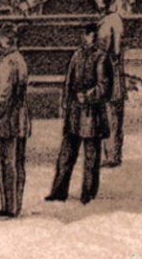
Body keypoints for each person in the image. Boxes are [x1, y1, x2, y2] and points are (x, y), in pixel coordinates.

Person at [46, 21, 112, 205]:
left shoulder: (101, 58)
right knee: (66, 154)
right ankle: (59, 191)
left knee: (91, 155)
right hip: (75, 112)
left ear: (94, 36)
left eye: (89, 35)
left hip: (92, 112)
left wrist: (88, 96)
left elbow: (104, 87)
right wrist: (65, 101)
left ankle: (88, 193)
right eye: (84, 35)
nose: (86, 38)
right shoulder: (77, 55)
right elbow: (68, 81)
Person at [0, 24, 31, 219]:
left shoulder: (7, 62)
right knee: (18, 163)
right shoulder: (19, 59)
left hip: (7, 119)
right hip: (20, 117)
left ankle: (9, 207)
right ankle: (15, 205)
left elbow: (3, 95)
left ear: (5, 39)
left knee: (7, 163)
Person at [93, 0, 133, 169]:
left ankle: (113, 155)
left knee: (112, 113)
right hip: (106, 70)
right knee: (108, 113)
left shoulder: (113, 20)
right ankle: (111, 154)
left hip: (111, 71)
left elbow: (115, 50)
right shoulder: (105, 19)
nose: (96, 2)